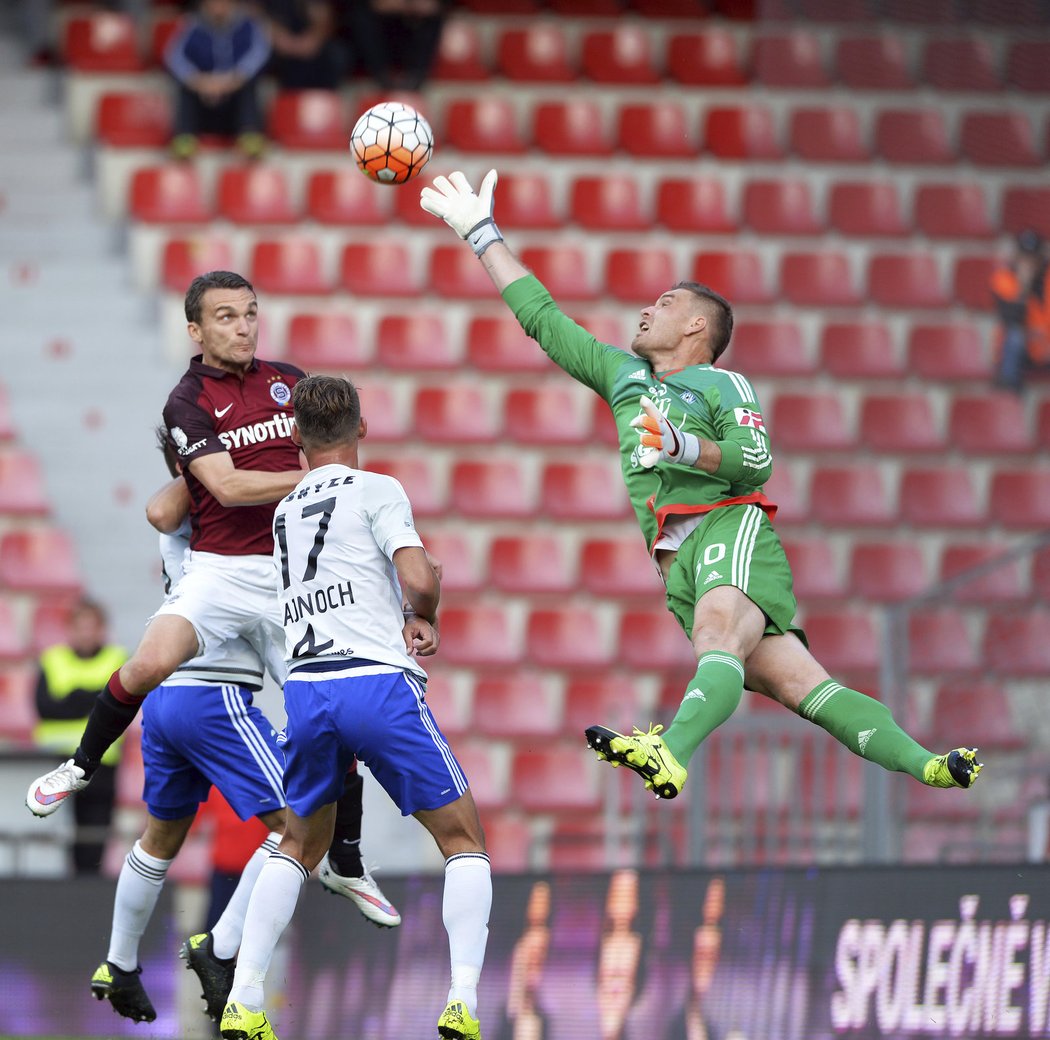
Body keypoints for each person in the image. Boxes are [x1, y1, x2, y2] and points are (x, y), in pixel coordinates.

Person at [419, 169, 983, 807]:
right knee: (807, 689)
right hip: (676, 558)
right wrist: (480, 233)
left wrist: (684, 447)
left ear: (696, 328)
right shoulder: (621, 374)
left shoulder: (722, 385)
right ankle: (929, 765)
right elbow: (543, 320)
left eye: (664, 302)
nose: (647, 308)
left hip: (727, 525)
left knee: (718, 638)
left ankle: (671, 752)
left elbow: (756, 461)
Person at [90, 438, 399, 1026]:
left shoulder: (207, 523)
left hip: (165, 702)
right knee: (298, 825)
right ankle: (221, 944)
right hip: (215, 697)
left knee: (160, 839)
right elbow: (170, 504)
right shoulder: (209, 516)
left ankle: (118, 961)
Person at [220, 374, 491, 1040]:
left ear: (295, 439)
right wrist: (422, 612)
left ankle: (245, 999)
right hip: (374, 684)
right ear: (361, 429)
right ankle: (462, 999)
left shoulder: (285, 510)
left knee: (295, 843)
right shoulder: (379, 489)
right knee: (462, 840)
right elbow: (417, 574)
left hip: (308, 688)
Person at [26, 270, 308, 822]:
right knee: (147, 664)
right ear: (195, 331)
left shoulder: (291, 381)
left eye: (250, 313)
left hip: (287, 573)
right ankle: (81, 765)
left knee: (328, 711)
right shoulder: (187, 399)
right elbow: (225, 487)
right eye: (226, 317)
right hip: (221, 570)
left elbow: (338, 447)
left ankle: (347, 856)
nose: (244, 328)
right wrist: (311, 478)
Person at [32, 599, 127, 874]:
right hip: (55, 763)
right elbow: (45, 709)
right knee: (55, 839)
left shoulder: (117, 659)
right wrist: (94, 697)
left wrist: (73, 696)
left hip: (102, 766)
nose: (86, 633)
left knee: (93, 840)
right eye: (80, 627)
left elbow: (120, 708)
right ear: (70, 630)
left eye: (92, 627)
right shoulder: (52, 660)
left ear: (102, 629)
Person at [165, 0, 271, 159]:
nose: (218, 6)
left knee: (249, 86)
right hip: (203, 98)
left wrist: (234, 79)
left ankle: (249, 137)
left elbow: (259, 52)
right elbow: (173, 56)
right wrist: (199, 81)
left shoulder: (248, 25)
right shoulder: (191, 25)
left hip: (234, 98)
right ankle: (184, 138)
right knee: (184, 87)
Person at [990, 228, 1050, 394]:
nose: (1028, 263)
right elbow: (1012, 318)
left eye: (1033, 258)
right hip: (1022, 351)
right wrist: (1023, 286)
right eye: (1024, 257)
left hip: (1046, 346)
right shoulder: (1003, 279)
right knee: (1015, 337)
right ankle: (1009, 393)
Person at [346, 0, 449, 91]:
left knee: (432, 18)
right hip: (380, 37)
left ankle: (416, 75)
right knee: (362, 18)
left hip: (410, 32)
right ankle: (381, 75)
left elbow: (433, 6)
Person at [253, 0, 346, 89]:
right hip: (272, 41)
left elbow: (323, 14)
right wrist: (278, 37)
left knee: (336, 55)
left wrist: (313, 39)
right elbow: (254, 12)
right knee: (253, 57)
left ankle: (323, 100)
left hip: (308, 41)